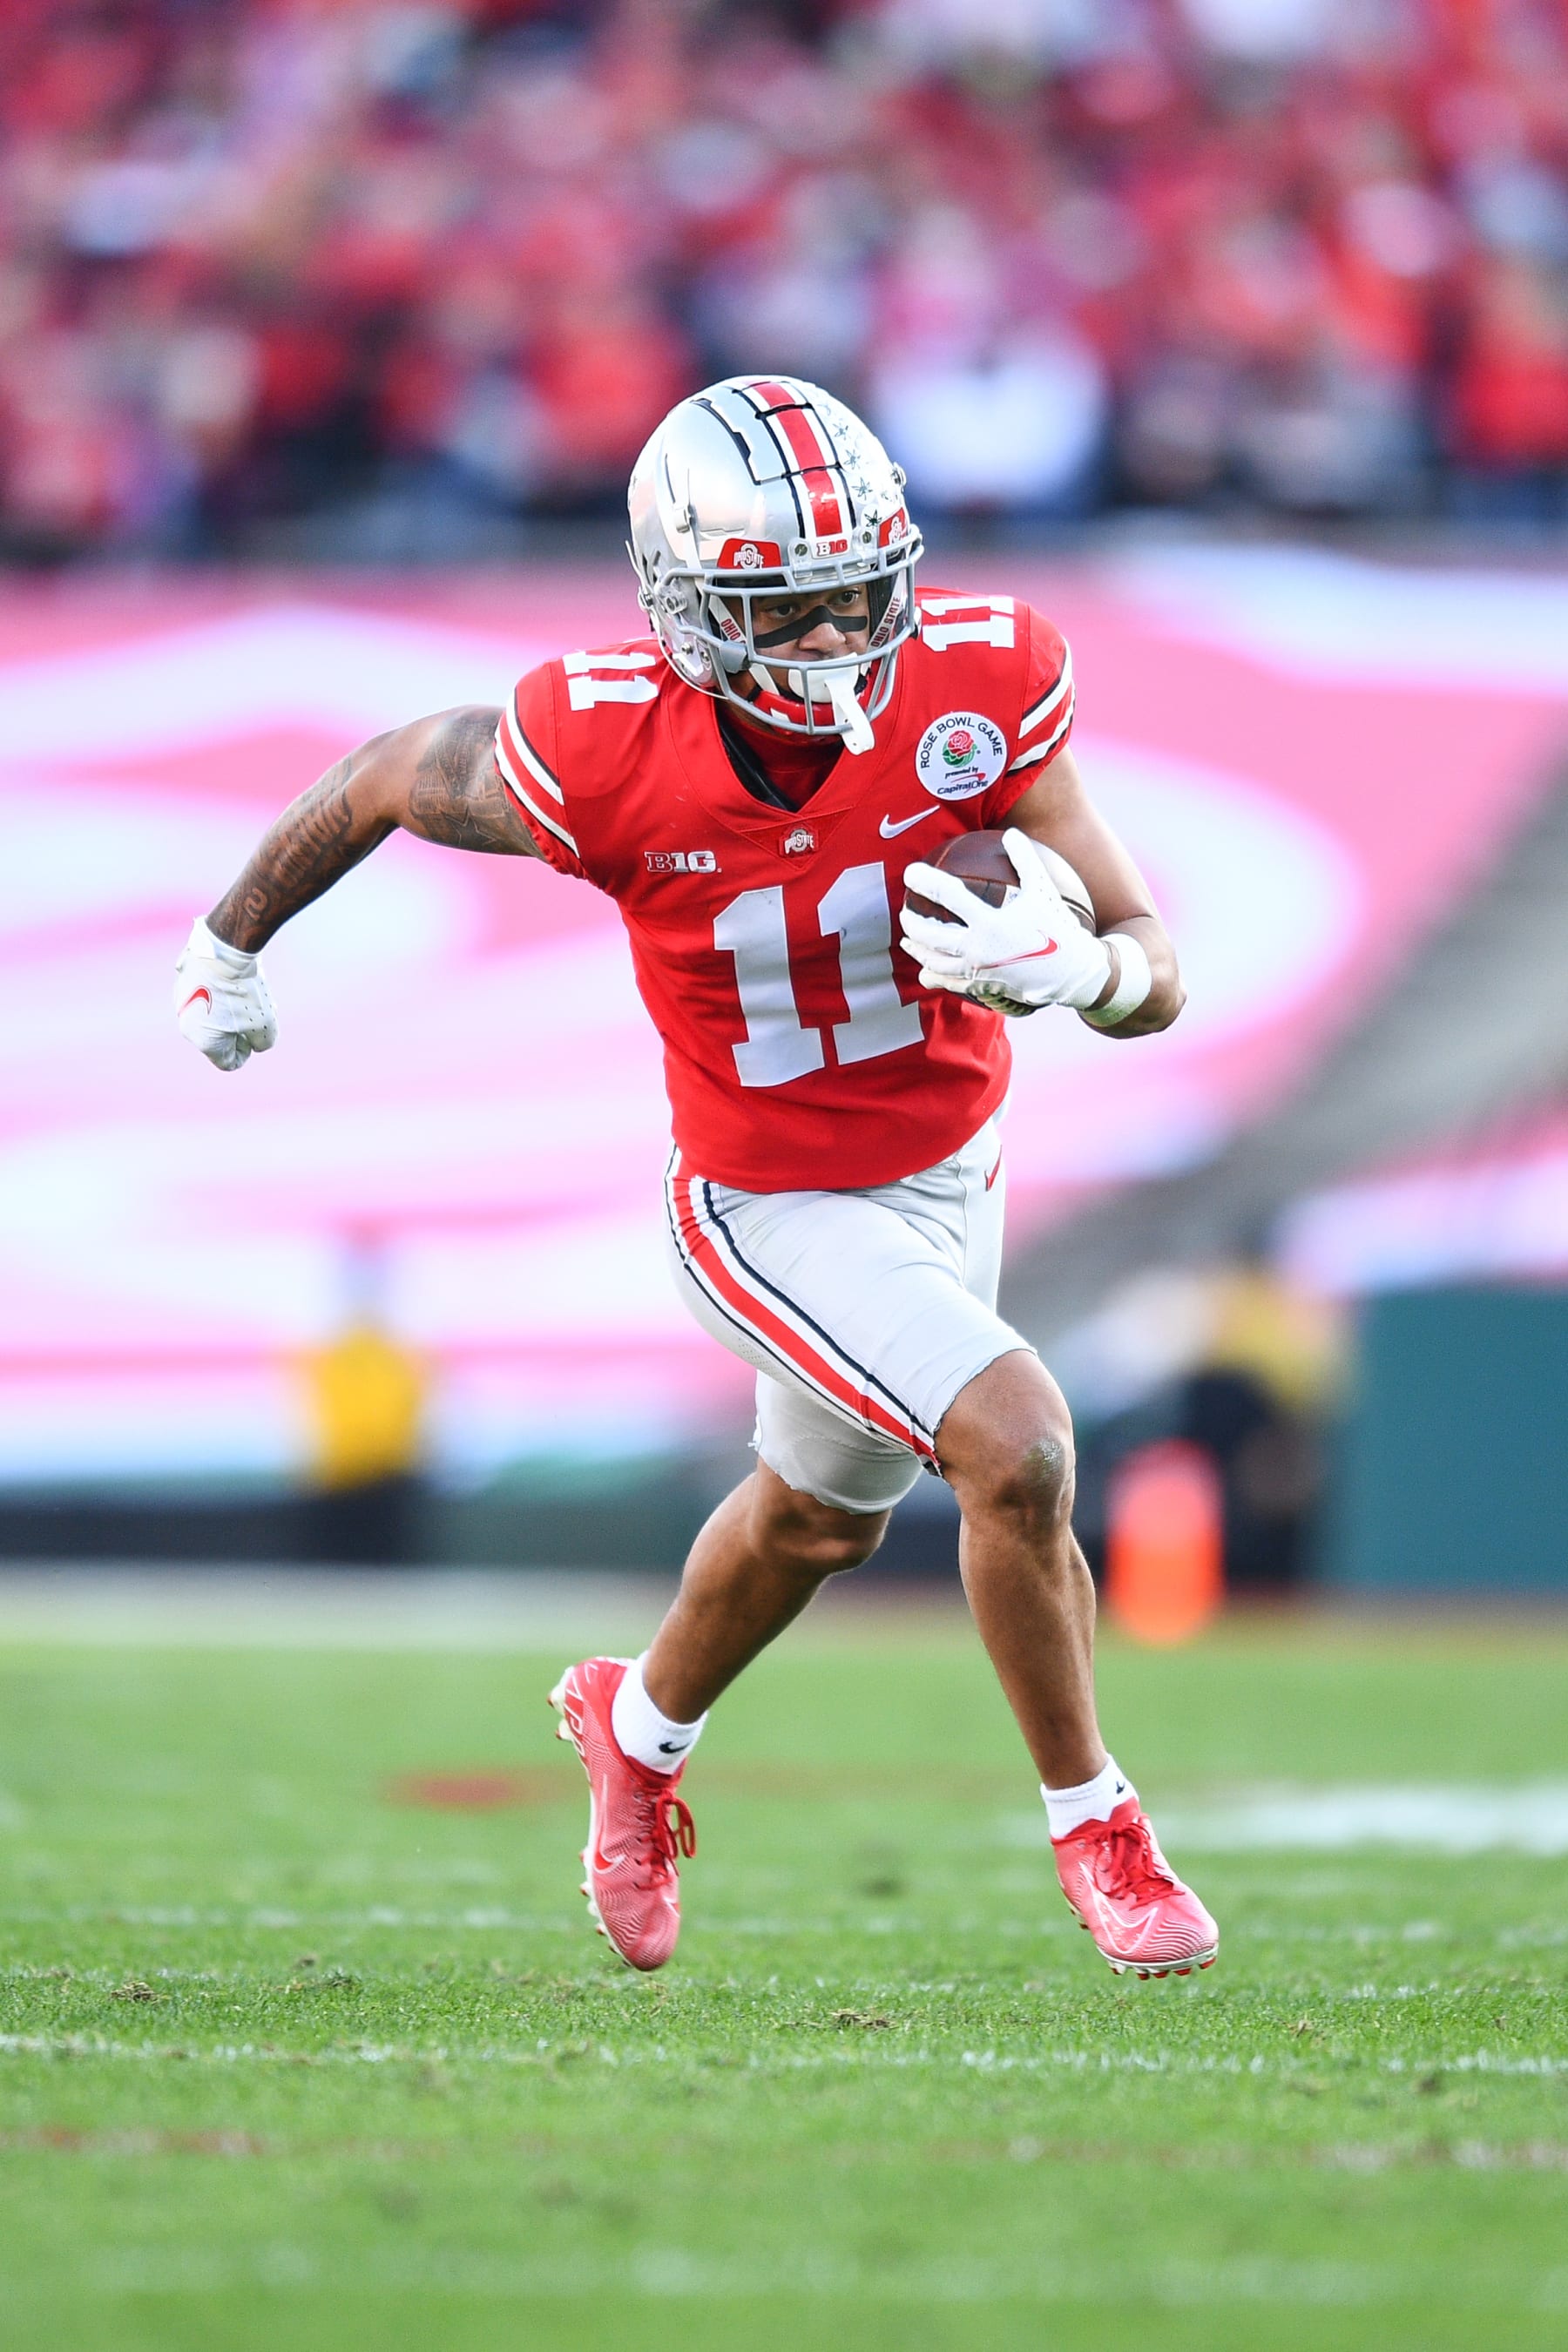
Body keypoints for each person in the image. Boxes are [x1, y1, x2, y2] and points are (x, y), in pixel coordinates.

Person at [174, 375, 1218, 1984]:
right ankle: (1101, 1826)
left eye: (859, 594)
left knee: (815, 1523)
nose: (837, 638)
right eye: (787, 608)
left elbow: (1156, 966)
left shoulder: (982, 683)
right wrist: (230, 940)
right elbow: (387, 771)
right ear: (687, 607)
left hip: (953, 1169)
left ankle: (636, 1733)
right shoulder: (604, 748)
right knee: (1016, 1450)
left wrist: (1081, 971)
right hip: (762, 1201)